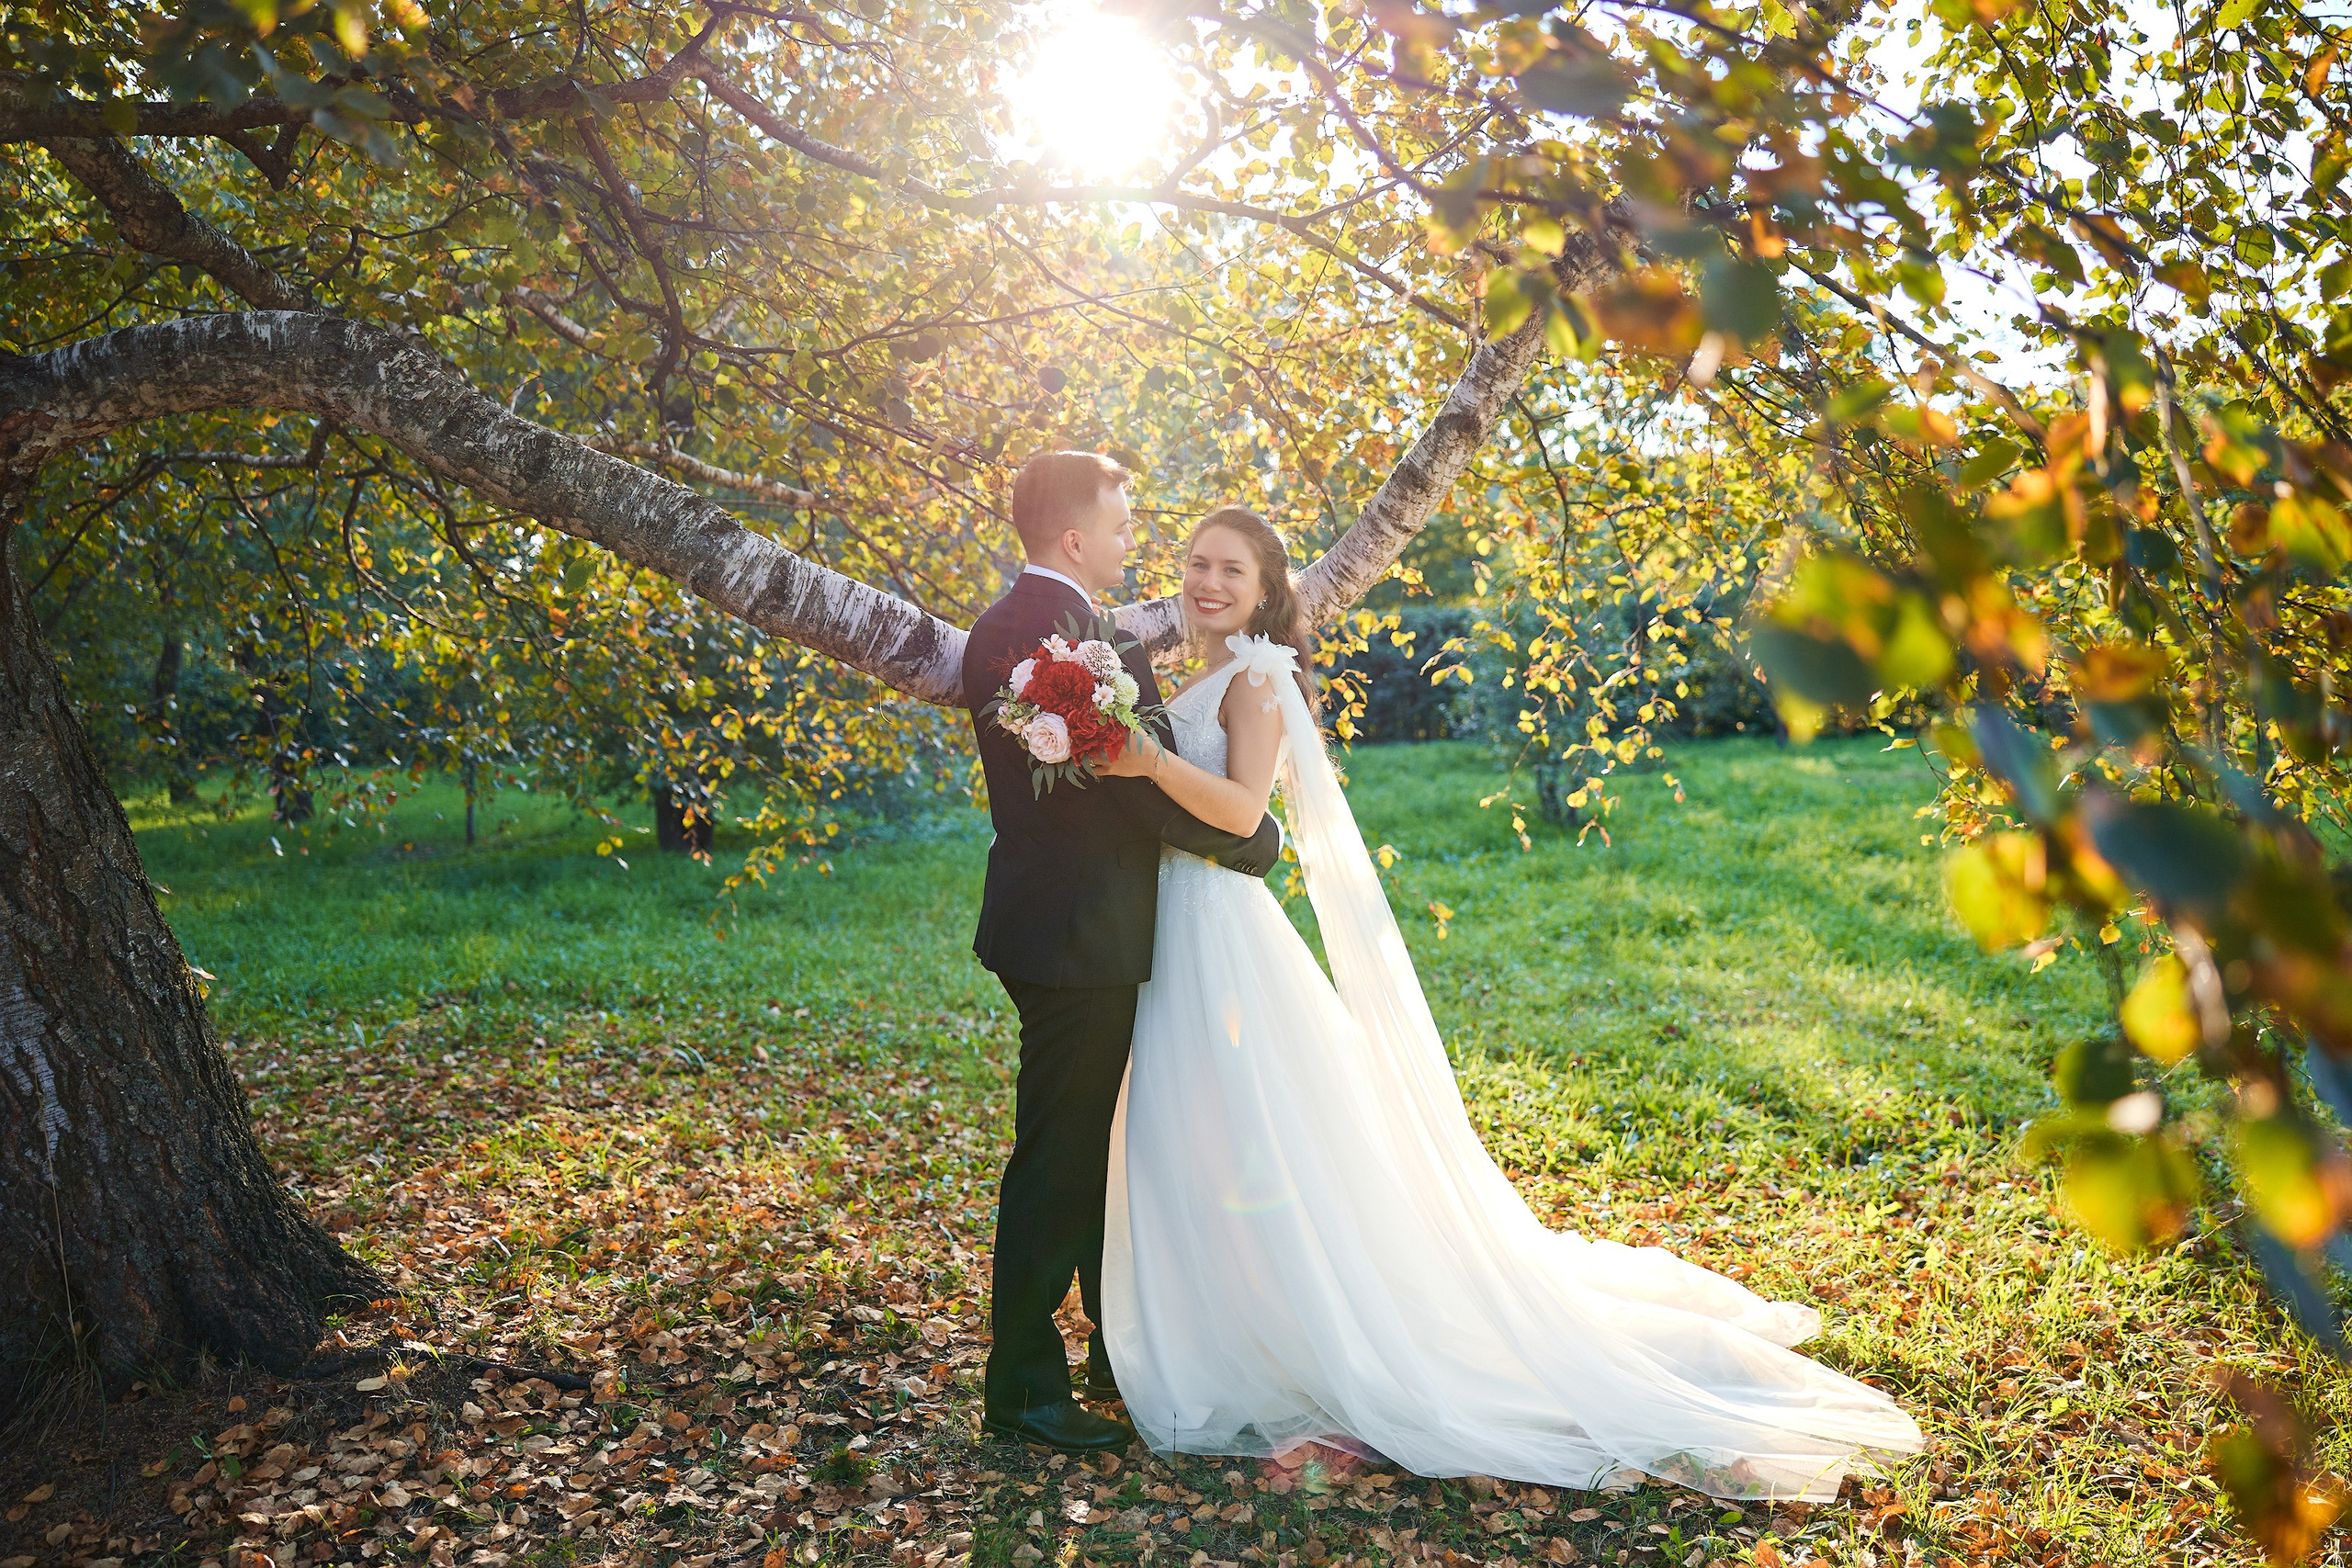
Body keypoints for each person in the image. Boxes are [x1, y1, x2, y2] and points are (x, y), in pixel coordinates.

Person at [1090, 504, 1925, 1501]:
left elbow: (1239, 810)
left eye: (1231, 569)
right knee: (1200, 1134)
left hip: (1220, 925)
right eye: (1195, 564)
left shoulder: (1259, 676)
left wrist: (1142, 761)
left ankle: (1301, 1330)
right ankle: (1221, 1314)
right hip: (1170, 926)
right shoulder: (1181, 673)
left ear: (1267, 591)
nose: (1207, 582)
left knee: (1252, 1130)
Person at [961, 454, 1283, 1454]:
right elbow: (1129, 786)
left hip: (1071, 922)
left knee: (1098, 1148)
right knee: (1060, 1157)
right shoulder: (1053, 639)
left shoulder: (1020, 628)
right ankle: (1021, 1386)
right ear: (1073, 539)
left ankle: (1113, 1347)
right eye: (1122, 525)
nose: (1131, 543)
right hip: (1075, 932)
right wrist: (1256, 841)